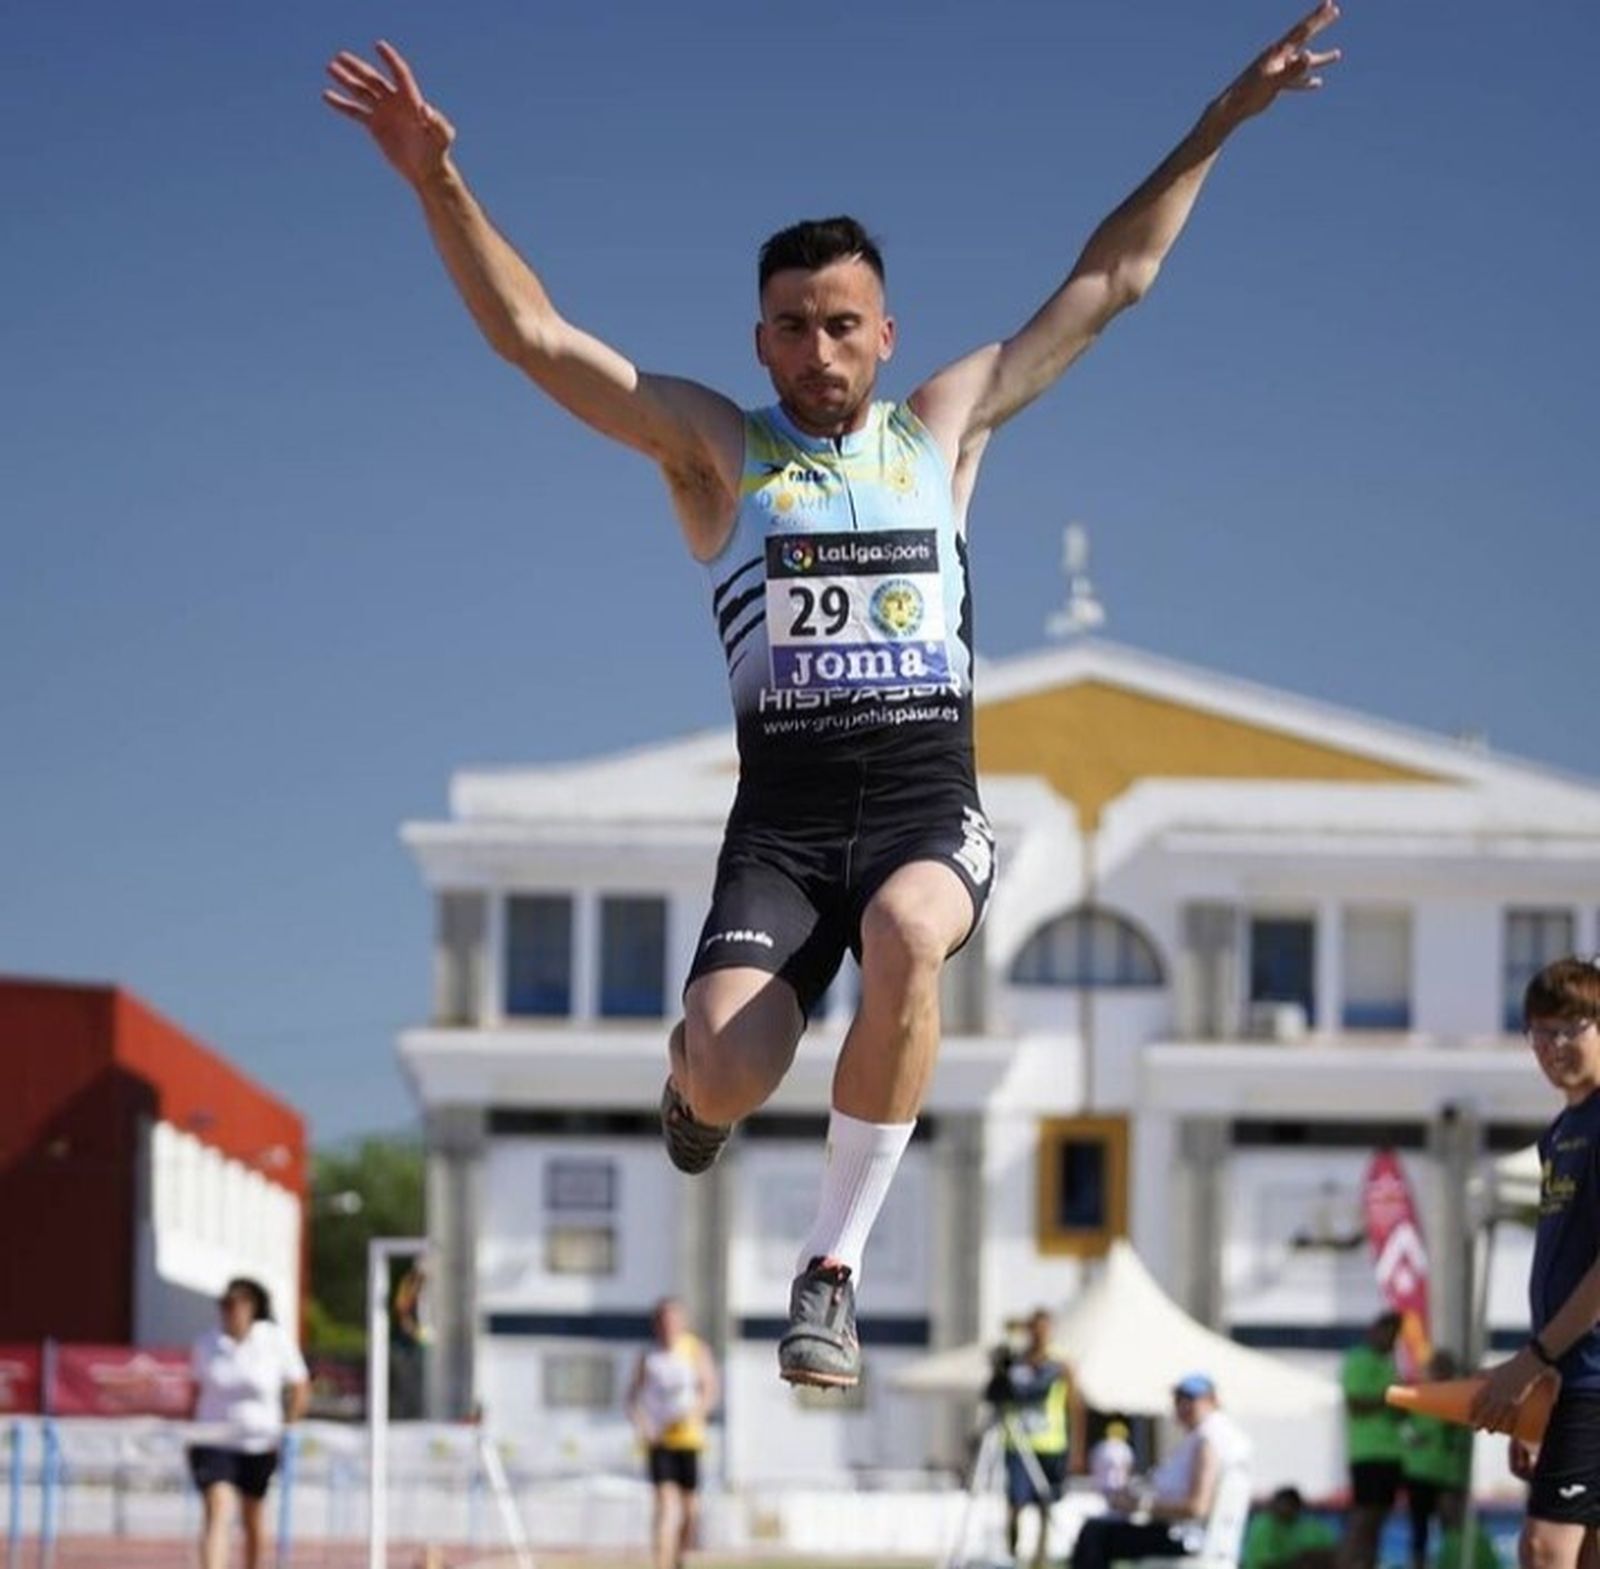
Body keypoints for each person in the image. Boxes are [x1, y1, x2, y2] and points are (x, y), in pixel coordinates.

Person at [323, 4, 1343, 1389]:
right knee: (734, 1074)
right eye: (794, 329)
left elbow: (1114, 278)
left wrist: (1225, 116)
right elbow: (536, 338)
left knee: (914, 936)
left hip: (926, 797)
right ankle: (694, 1092)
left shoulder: (945, 428)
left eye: (843, 325)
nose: (821, 350)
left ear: (885, 329)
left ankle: (830, 1271)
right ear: (760, 341)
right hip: (784, 823)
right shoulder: (714, 453)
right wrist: (437, 176)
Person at [1470, 957, 1600, 1569]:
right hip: (1571, 1378)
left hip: (1592, 1380)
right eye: (1541, 1031)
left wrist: (1533, 1362)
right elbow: (1561, 1269)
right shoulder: (1561, 1132)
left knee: (1546, 1549)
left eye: (1573, 1026)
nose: (1555, 1045)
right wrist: (1540, 1392)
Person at [187, 1276, 311, 1569]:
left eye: (236, 1304)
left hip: (258, 1442)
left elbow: (300, 1385)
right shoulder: (206, 1344)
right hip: (214, 1439)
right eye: (224, 1304)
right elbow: (194, 1392)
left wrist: (289, 1426)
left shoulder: (273, 1340)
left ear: (251, 1307)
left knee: (253, 1518)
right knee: (218, 1509)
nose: (229, 1311)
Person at [1070, 1373, 1252, 1569]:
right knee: (1098, 1531)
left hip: (1186, 1538)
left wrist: (1141, 1505)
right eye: (1178, 1400)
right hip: (1185, 1535)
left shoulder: (1208, 1441)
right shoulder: (1216, 1436)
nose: (1182, 1406)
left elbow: (1197, 1507)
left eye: (1190, 1399)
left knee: (1095, 1534)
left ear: (1212, 1400)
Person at [625, 1298, 720, 1569]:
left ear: (682, 1322)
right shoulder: (648, 1357)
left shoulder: (695, 1350)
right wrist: (644, 1425)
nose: (668, 1327)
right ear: (657, 1325)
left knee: (690, 1511)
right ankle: (662, 1563)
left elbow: (710, 1389)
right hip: (660, 1440)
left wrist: (697, 1412)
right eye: (663, 1321)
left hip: (689, 1440)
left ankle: (680, 1557)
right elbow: (631, 1398)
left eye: (673, 1320)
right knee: (665, 1506)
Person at [983, 1308, 1071, 1569]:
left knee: (1046, 1504)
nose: (1038, 1334)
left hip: (1050, 1444)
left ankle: (1039, 1560)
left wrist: (1076, 1449)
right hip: (1017, 1444)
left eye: (1043, 1328)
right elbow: (996, 1394)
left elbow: (1067, 1403)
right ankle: (1011, 1553)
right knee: (1016, 1502)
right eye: (1034, 1328)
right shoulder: (1017, 1363)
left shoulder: (1059, 1364)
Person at [1339, 1310, 1406, 1569]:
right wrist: (1389, 1400)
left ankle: (1366, 1563)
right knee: (1364, 1518)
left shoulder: (1390, 1364)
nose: (1391, 1340)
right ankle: (1347, 1563)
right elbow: (1355, 1404)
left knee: (1378, 1519)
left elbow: (1400, 1412)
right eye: (1389, 1333)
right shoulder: (1358, 1359)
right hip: (1367, 1453)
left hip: (1392, 1454)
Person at [1400, 1350, 1472, 1569]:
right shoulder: (1417, 1397)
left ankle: (1449, 1563)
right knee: (1420, 1530)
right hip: (1421, 1473)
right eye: (1438, 1368)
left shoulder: (1460, 1399)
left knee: (1450, 1529)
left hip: (1449, 1476)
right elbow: (1404, 1428)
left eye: (1445, 1368)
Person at [1242, 1487, 1340, 1569]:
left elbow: (1329, 1554)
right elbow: (1264, 1562)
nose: (1284, 1509)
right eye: (1282, 1504)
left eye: (1288, 1505)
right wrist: (1296, 1561)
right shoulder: (1264, 1524)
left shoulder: (1309, 1525)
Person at [1090, 1417, 1137, 1495]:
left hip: (1101, 1487)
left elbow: (1093, 1465)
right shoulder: (1124, 1448)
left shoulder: (1099, 1447)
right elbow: (1128, 1468)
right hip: (1118, 1487)